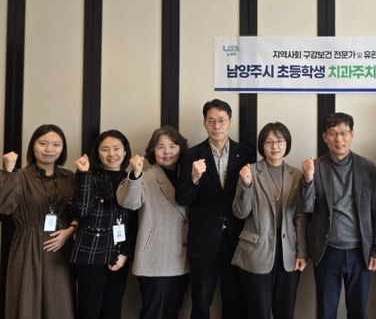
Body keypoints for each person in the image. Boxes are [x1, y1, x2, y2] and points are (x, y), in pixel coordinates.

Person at [299, 112, 376, 319]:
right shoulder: (316, 167)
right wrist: (308, 179)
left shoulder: (367, 167)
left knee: (359, 311)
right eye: (333, 133)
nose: (339, 139)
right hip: (327, 251)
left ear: (352, 135)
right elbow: (306, 208)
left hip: (361, 251)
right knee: (326, 311)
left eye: (344, 133)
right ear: (325, 137)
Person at [175, 99, 255, 319]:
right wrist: (194, 178)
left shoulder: (245, 153)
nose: (216, 126)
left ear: (230, 121)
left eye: (221, 120)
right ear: (204, 123)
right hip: (203, 240)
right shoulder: (192, 155)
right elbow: (182, 198)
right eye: (211, 121)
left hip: (237, 238)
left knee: (235, 300)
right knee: (201, 300)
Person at [232, 122, 308, 319]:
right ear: (262, 145)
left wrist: (301, 252)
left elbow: (300, 217)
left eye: (280, 141)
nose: (275, 146)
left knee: (286, 312)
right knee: (258, 312)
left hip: (288, 253)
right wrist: (246, 185)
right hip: (257, 251)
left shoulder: (296, 175)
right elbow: (240, 213)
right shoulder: (250, 171)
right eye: (269, 142)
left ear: (287, 144)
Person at [0, 124, 76, 319]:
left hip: (60, 247)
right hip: (27, 245)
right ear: (32, 146)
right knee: (26, 299)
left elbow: (80, 212)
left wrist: (70, 231)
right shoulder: (19, 176)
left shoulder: (70, 177)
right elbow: (4, 207)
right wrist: (7, 172)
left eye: (56, 144)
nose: (49, 149)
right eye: (43, 143)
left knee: (59, 301)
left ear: (62, 149)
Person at [117, 126, 190, 319]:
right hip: (155, 258)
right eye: (160, 147)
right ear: (152, 150)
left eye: (172, 146)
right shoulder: (146, 176)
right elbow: (129, 202)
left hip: (182, 258)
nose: (167, 152)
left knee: (172, 312)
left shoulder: (188, 177)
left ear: (181, 149)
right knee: (153, 313)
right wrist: (135, 174)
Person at [70, 129, 136, 319]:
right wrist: (83, 174)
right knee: (89, 311)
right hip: (91, 254)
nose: (111, 154)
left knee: (112, 311)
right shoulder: (89, 176)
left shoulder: (131, 179)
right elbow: (81, 211)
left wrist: (125, 253)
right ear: (97, 153)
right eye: (105, 149)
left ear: (125, 151)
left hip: (118, 255)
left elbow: (134, 222)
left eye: (116, 148)